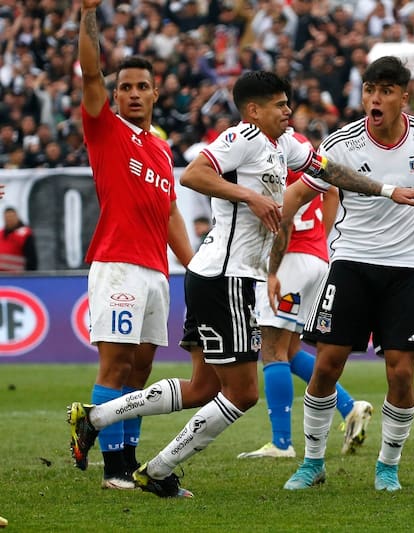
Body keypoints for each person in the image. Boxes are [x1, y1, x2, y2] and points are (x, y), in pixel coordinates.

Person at [68, 69, 414, 498]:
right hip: (225, 278)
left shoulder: (289, 144)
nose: (288, 110)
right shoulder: (241, 137)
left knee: (204, 388)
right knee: (243, 393)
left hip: (227, 278)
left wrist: (389, 190)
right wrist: (251, 196)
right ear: (253, 110)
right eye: (280, 105)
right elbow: (194, 176)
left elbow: (333, 171)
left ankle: (94, 419)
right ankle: (158, 468)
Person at [277, 56, 414, 492]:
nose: (375, 98)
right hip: (352, 260)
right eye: (370, 89)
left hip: (409, 265)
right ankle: (312, 463)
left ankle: (387, 467)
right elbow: (301, 190)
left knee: (401, 373)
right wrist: (270, 218)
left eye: (386, 91)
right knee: (327, 365)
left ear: (403, 98)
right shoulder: (341, 144)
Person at [67, 0, 194, 490]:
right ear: (114, 94)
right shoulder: (104, 128)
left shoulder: (161, 149)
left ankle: (130, 461)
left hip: (156, 272)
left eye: (143, 86)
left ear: (156, 93)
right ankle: (112, 468)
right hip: (117, 265)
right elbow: (89, 71)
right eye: (126, 87)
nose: (134, 94)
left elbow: (170, 213)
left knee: (140, 374)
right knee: (115, 364)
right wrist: (87, 16)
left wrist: (196, 266)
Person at [237, 131, 373, 460]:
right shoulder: (303, 145)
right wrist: (320, 241)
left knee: (272, 349)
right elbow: (332, 190)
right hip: (314, 257)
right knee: (291, 348)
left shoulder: (269, 148)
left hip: (289, 259)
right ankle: (349, 406)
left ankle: (281, 442)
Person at [0, 207, 37, 271]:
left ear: (17, 217)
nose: (9, 219)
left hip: (18, 277)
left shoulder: (24, 234)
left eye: (11, 217)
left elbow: (32, 259)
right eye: (7, 217)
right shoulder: (1, 234)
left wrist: (30, 276)